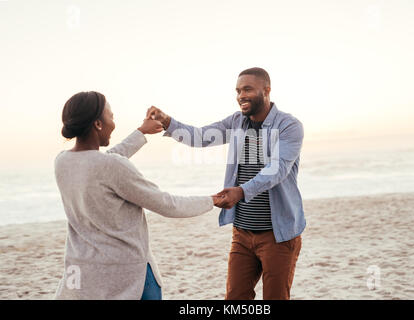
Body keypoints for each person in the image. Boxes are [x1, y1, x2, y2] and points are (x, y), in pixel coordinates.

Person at [148, 67, 306, 300]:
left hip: (278, 235)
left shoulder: (288, 126)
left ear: (267, 90)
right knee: (234, 299)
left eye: (248, 89)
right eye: (238, 90)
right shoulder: (236, 122)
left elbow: (277, 169)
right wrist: (167, 121)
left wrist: (241, 192)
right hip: (242, 233)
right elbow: (200, 136)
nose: (241, 95)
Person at [54, 91, 221, 300]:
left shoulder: (62, 162)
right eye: (111, 117)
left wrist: (141, 132)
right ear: (98, 124)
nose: (113, 124)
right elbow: (167, 205)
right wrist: (213, 200)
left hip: (82, 273)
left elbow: (103, 162)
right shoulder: (111, 166)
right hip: (127, 275)